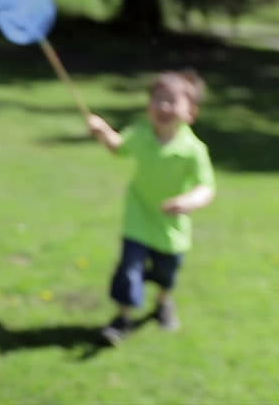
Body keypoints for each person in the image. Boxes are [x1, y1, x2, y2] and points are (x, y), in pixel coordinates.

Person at [87, 69, 215, 346]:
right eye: (158, 99)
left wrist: (187, 202)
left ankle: (163, 302)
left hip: (171, 229)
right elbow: (118, 148)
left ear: (190, 112)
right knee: (128, 269)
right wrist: (103, 131)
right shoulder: (141, 133)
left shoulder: (193, 149)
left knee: (165, 275)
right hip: (138, 218)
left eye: (172, 101)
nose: (163, 106)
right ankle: (122, 319)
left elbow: (206, 188)